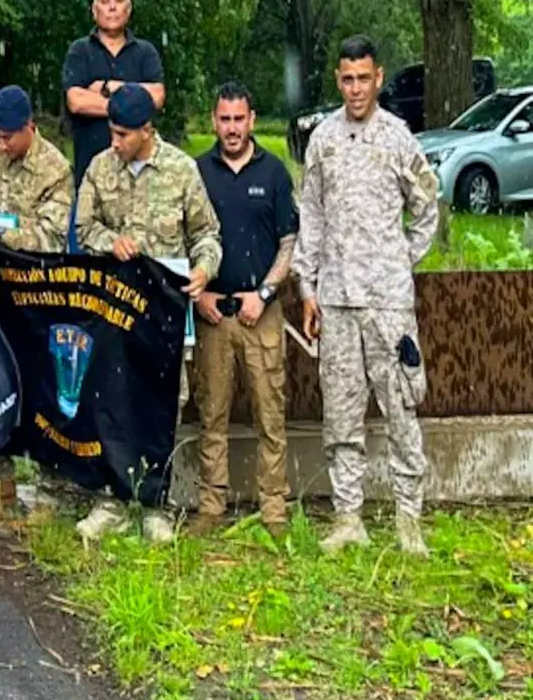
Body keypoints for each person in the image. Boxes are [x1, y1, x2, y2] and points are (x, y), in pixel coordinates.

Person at [296, 36, 437, 557]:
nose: (356, 88)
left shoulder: (398, 137)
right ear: (339, 80)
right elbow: (311, 216)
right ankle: (347, 516)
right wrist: (307, 285)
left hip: (387, 304)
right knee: (341, 411)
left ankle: (408, 519)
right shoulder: (323, 139)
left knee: (400, 406)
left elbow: (427, 207)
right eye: (347, 79)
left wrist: (400, 260)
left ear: (378, 78)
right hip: (336, 300)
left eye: (364, 78)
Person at [75, 84, 220, 544]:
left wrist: (204, 269)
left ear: (146, 130)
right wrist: (108, 241)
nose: (114, 141)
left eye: (122, 134)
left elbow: (206, 233)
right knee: (111, 399)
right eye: (111, 132)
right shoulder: (100, 168)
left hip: (163, 315)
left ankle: (157, 503)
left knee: (163, 404)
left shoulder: (180, 170)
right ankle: (112, 500)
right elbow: (83, 228)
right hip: (115, 311)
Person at [192, 82, 299, 538]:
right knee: (211, 415)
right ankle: (210, 507)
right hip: (213, 313)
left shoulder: (273, 173)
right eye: (225, 119)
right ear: (214, 121)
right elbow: (185, 239)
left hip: (262, 313)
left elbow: (290, 242)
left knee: (270, 414)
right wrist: (199, 296)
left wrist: (266, 293)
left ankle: (274, 509)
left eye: (239, 119)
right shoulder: (197, 172)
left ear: (252, 120)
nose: (232, 128)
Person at [62, 0, 166, 184]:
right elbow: (76, 101)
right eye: (105, 1)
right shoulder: (80, 51)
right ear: (94, 10)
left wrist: (108, 87)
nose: (112, 7)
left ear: (129, 9)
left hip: (140, 178)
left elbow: (156, 96)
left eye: (118, 0)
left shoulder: (145, 52)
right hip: (91, 176)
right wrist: (133, 104)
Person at [0, 86, 73, 252]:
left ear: (28, 125)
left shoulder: (56, 170)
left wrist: (2, 235)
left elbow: (53, 239)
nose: (2, 146)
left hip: (33, 264)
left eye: (7, 137)